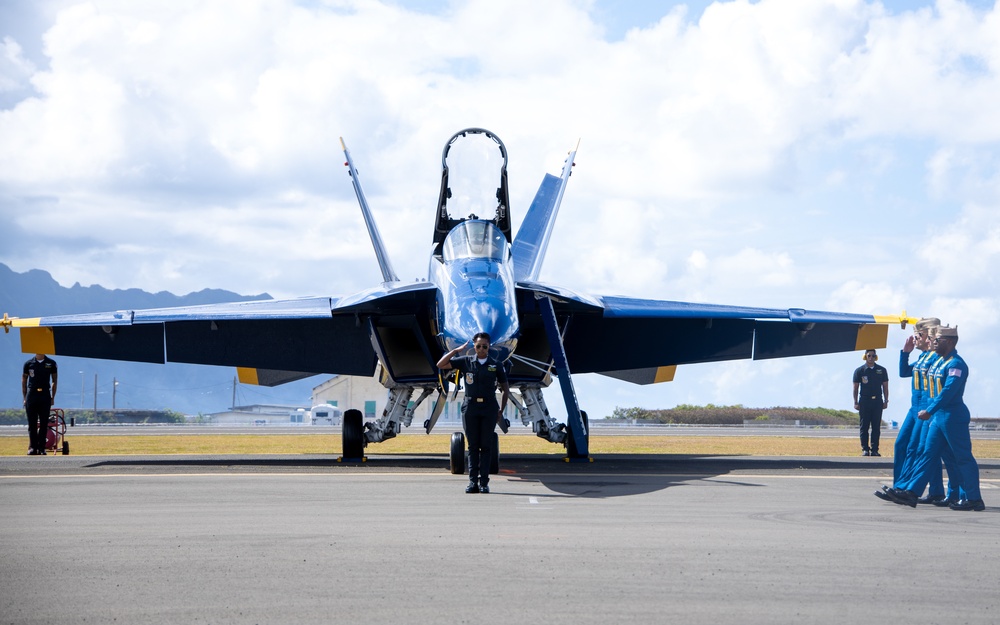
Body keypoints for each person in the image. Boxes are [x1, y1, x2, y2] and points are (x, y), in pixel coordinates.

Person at [885, 326, 984, 511]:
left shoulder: (956, 364)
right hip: (938, 417)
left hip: (952, 416)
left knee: (962, 457)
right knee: (927, 454)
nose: (934, 342)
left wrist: (929, 409)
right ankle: (912, 493)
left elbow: (948, 392)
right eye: (934, 339)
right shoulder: (938, 362)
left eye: (938, 340)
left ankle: (974, 499)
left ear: (950, 342)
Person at [437, 332, 510, 494]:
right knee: (473, 446)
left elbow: (506, 390)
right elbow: (441, 364)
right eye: (478, 346)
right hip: (470, 407)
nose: (482, 349)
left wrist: (501, 410)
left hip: (489, 407)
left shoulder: (496, 365)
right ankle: (472, 482)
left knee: (486, 446)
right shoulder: (466, 362)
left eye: (485, 346)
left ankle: (484, 483)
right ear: (474, 347)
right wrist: (456, 351)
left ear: (489, 346)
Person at [853, 349, 888, 456]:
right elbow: (855, 388)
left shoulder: (881, 370)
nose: (871, 358)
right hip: (864, 400)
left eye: (873, 356)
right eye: (869, 356)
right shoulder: (860, 371)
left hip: (877, 400)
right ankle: (865, 449)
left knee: (876, 426)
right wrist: (856, 402)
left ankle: (875, 449)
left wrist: (886, 400)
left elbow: (885, 387)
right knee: (864, 426)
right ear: (865, 356)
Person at [22, 353, 57, 455]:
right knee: (32, 423)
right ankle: (33, 447)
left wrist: (52, 397)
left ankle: (42, 447)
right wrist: (25, 397)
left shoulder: (51, 363)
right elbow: (24, 380)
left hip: (45, 394)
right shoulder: (28, 363)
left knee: (44, 423)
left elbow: (55, 380)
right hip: (32, 394)